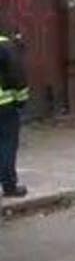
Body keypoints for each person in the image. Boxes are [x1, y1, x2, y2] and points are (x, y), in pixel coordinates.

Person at [0, 28, 30, 198]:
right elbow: (18, 77)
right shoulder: (6, 47)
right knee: (7, 144)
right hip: (4, 105)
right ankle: (9, 185)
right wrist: (21, 100)